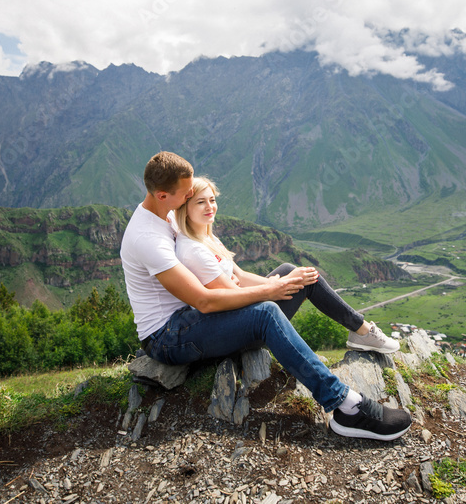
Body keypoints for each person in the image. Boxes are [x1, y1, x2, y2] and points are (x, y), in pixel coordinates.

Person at [120, 151, 411, 441]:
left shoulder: (166, 210)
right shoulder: (148, 239)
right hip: (167, 336)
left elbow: (216, 275)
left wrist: (279, 282)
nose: (190, 198)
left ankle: (360, 330)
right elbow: (204, 301)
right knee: (267, 311)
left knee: (292, 274)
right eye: (186, 195)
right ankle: (345, 405)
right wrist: (272, 290)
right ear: (162, 195)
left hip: (192, 318)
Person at [174, 175, 400, 355]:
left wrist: (279, 281)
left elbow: (240, 276)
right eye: (200, 202)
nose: (209, 207)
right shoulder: (194, 250)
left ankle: (359, 330)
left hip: (236, 314)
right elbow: (231, 297)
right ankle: (361, 330)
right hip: (238, 330)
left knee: (289, 269)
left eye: (212, 200)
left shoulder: (207, 238)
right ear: (186, 208)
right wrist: (277, 287)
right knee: (307, 281)